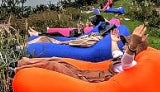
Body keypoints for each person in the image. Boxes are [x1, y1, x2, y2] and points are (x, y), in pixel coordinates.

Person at [14, 24, 148, 82]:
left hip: (93, 81)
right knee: (57, 61)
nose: (124, 46)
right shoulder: (120, 56)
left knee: (55, 66)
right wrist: (113, 40)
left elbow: (126, 62)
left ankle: (15, 69)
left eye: (126, 45)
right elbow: (115, 51)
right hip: (89, 75)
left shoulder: (131, 64)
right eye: (125, 44)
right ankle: (21, 63)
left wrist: (132, 46)